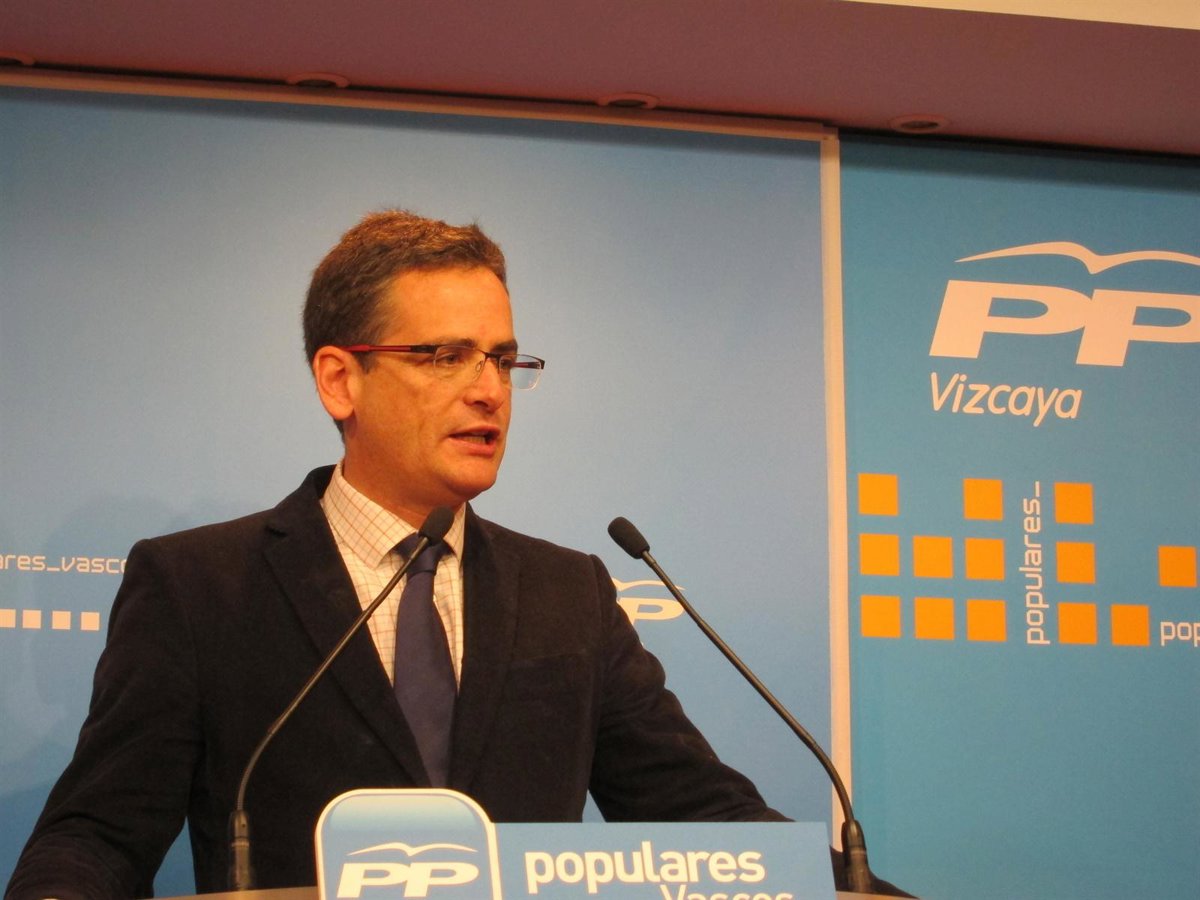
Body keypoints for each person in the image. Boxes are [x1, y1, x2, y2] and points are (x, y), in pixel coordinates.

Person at [5, 210, 786, 899]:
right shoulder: (199, 587)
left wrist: (841, 882)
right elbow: (101, 833)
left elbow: (704, 817)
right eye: (445, 356)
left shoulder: (569, 593)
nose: (489, 391)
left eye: (502, 359)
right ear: (339, 380)